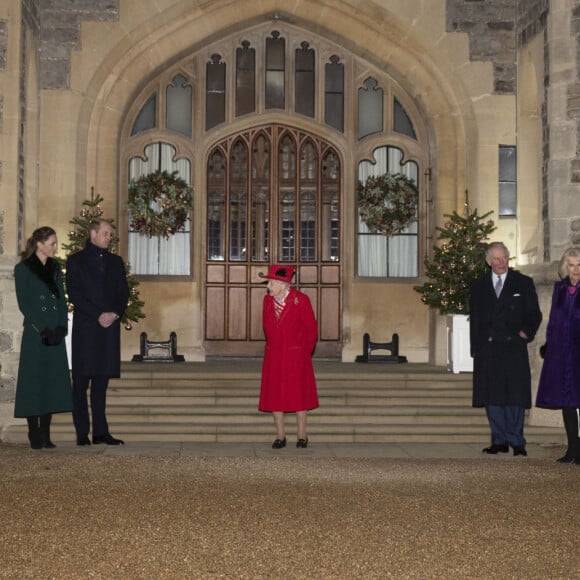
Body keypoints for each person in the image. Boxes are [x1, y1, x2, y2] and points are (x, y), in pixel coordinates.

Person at [470, 241, 542, 456]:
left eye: (504, 258)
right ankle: (498, 440)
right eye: (497, 259)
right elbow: (476, 319)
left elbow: (534, 314)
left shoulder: (523, 282)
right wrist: (477, 347)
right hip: (489, 349)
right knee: (492, 396)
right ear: (488, 261)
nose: (501, 263)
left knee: (515, 396)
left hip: (513, 347)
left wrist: (525, 334)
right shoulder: (479, 285)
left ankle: (517, 441)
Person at [66, 218, 129, 446]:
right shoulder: (76, 261)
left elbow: (123, 293)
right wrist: (97, 315)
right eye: (105, 233)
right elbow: (74, 293)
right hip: (87, 328)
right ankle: (82, 433)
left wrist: (114, 313)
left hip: (108, 329)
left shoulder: (116, 261)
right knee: (81, 383)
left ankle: (101, 432)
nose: (108, 237)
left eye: (109, 234)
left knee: (101, 384)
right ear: (93, 234)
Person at [14, 227, 73, 449]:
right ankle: (34, 431)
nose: (55, 247)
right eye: (52, 243)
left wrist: (61, 327)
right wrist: (44, 328)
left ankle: (46, 434)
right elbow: (25, 304)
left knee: (51, 381)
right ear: (39, 244)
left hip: (55, 333)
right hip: (36, 333)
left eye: (55, 243)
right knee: (33, 381)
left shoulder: (56, 268)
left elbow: (60, 299)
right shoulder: (23, 269)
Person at [259, 265, 319, 449]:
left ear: (283, 284)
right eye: (269, 282)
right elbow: (267, 327)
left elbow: (311, 329)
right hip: (275, 355)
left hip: (296, 355)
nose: (268, 286)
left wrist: (303, 352)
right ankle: (280, 436)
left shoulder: (301, 300)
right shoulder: (267, 301)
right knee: (275, 396)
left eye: (271, 282)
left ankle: (302, 435)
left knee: (299, 396)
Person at [536, 247, 580, 464]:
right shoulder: (560, 289)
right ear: (565, 267)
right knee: (568, 403)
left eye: (579, 264)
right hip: (563, 352)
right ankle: (573, 449)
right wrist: (549, 344)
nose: (576, 269)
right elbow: (553, 320)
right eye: (571, 265)